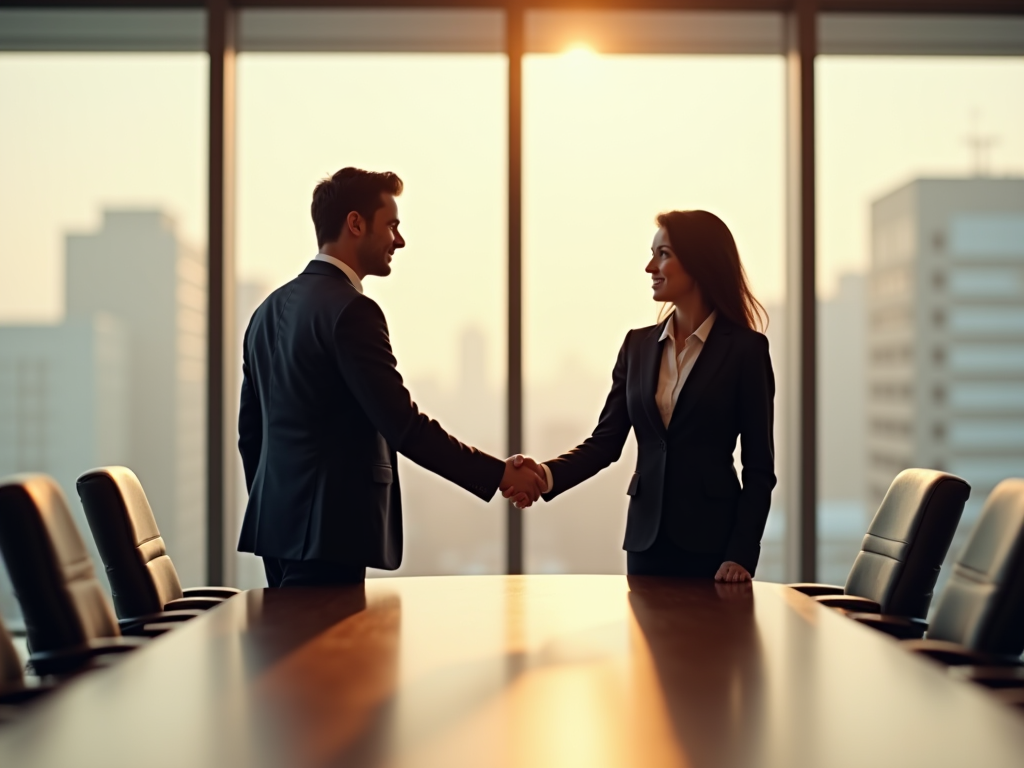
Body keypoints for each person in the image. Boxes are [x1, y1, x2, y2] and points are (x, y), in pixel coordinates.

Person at [238, 167, 545, 587]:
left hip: (275, 532)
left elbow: (250, 437)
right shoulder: (352, 312)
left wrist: (279, 508)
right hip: (331, 535)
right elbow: (403, 426)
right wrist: (500, 474)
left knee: (295, 651)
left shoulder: (265, 312)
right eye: (392, 226)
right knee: (330, 652)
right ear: (355, 223)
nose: (399, 241)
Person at [510, 210, 776, 582]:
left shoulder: (745, 351)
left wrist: (741, 555)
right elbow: (605, 443)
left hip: (715, 549)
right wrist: (546, 474)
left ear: (699, 260)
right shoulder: (637, 346)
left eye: (663, 254)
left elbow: (760, 468)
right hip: (645, 542)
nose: (650, 266)